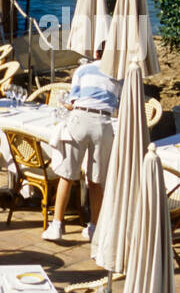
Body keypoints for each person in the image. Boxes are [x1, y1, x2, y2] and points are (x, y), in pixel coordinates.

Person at [41, 58, 121, 243]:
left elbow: (72, 102)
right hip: (103, 123)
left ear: (96, 51)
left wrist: (65, 102)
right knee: (95, 180)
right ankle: (94, 227)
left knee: (67, 176)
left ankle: (57, 225)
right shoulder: (120, 73)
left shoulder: (83, 69)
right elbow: (119, 106)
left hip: (79, 119)